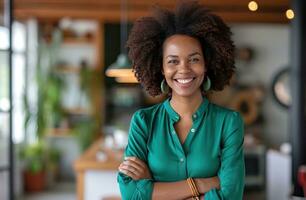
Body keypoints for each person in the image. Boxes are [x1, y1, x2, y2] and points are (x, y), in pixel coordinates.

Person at [117, 1, 245, 199]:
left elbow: (230, 195)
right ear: (161, 68)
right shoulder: (143, 121)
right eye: (173, 61)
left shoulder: (229, 123)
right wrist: (204, 184)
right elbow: (130, 194)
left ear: (206, 65)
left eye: (194, 59)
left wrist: (153, 186)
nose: (184, 69)